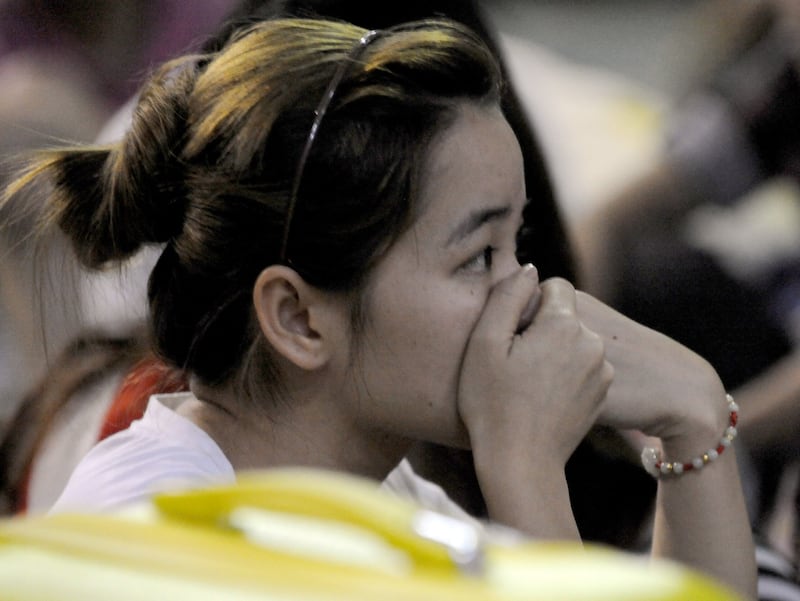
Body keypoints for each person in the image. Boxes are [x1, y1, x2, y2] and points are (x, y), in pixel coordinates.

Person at [3, 17, 755, 597]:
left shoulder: (376, 491)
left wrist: (692, 414)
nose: (530, 294)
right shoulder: (162, 538)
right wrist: (524, 471)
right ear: (299, 318)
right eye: (477, 257)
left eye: (516, 243)